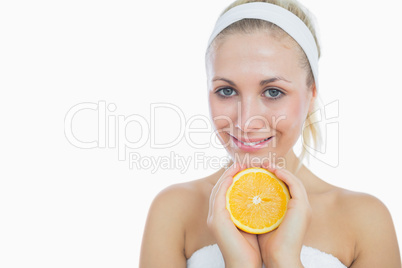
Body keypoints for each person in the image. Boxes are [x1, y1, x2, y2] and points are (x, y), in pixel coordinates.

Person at [139, 0, 401, 267]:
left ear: (311, 95)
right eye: (226, 91)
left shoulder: (366, 220)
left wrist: (283, 259)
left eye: (273, 92)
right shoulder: (174, 210)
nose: (246, 122)